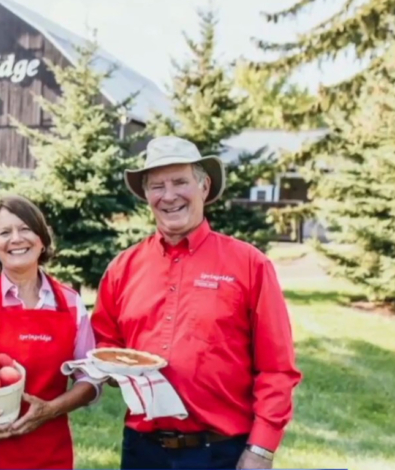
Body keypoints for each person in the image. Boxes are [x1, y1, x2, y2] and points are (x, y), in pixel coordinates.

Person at [91, 136, 303, 470]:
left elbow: (277, 368)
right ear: (146, 195)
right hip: (142, 450)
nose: (169, 195)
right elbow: (104, 340)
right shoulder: (123, 267)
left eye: (180, 182)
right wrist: (116, 369)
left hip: (219, 453)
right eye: (157, 186)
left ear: (204, 186)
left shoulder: (249, 264)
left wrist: (261, 449)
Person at [0, 194, 101, 470]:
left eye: (25, 228)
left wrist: (51, 409)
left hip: (48, 454)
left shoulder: (71, 304)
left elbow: (91, 381)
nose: (16, 238)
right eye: (4, 232)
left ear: (42, 240)